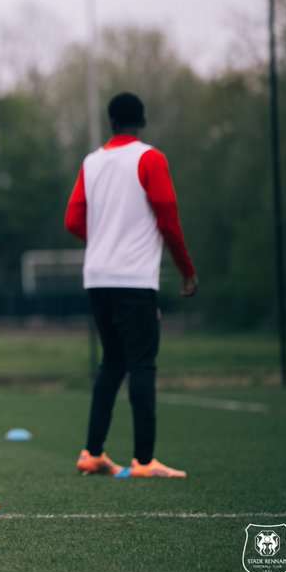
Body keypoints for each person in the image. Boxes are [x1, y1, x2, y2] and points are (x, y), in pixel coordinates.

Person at [65, 92, 198, 479]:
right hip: (133, 279)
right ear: (142, 120)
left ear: (110, 122)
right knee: (142, 363)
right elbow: (168, 218)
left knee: (113, 361)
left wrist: (105, 238)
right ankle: (144, 460)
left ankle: (92, 452)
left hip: (97, 276)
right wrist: (186, 269)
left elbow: (73, 220)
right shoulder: (149, 158)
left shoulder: (92, 162)